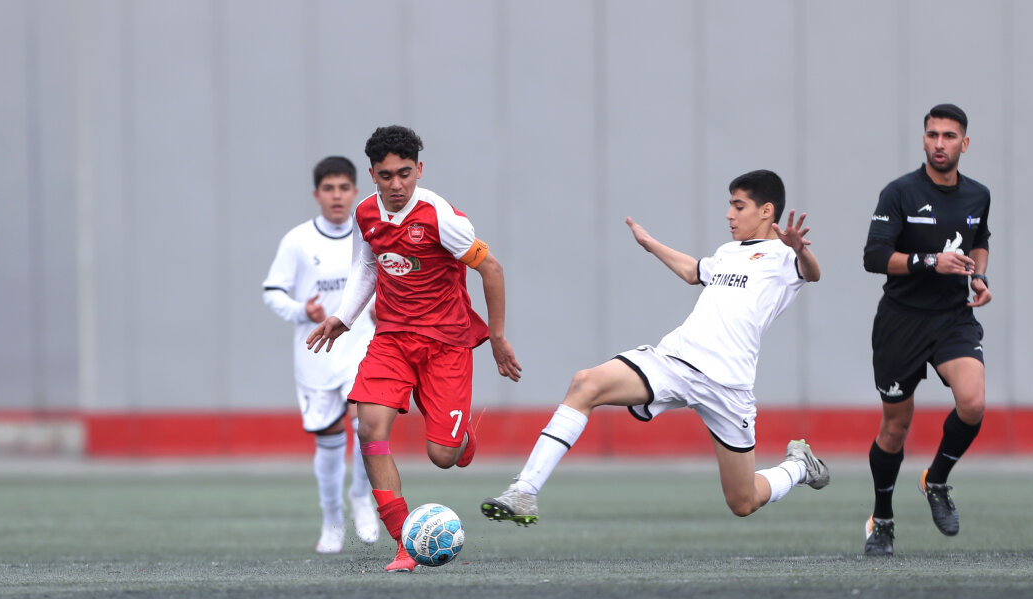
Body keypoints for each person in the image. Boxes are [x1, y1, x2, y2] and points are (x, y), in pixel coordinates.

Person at [481, 169, 829, 528]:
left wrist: (800, 250)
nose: (729, 214)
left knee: (743, 500)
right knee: (585, 383)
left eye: (738, 207)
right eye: (730, 205)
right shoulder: (728, 252)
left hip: (728, 385)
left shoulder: (785, 256)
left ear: (766, 210)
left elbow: (812, 273)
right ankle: (524, 491)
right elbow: (694, 271)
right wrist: (650, 244)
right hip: (676, 361)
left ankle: (798, 466)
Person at [307, 125, 522, 573]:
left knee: (443, 457)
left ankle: (461, 439)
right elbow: (368, 266)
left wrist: (498, 338)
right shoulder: (365, 213)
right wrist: (344, 317)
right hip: (392, 339)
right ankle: (404, 543)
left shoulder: (442, 219)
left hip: (446, 344)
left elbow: (492, 269)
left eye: (405, 173)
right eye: (386, 176)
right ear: (372, 175)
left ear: (419, 170)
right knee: (369, 429)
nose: (397, 184)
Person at [861, 103, 993, 556]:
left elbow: (980, 240)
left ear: (964, 144)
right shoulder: (899, 193)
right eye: (933, 135)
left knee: (972, 403)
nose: (940, 143)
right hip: (901, 322)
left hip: (953, 318)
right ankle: (882, 520)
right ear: (923, 140)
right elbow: (874, 257)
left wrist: (979, 277)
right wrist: (930, 261)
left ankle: (935, 480)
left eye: (949, 136)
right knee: (895, 426)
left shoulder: (978, 195)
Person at [262, 156, 379, 554]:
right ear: (317, 194)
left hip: (361, 348)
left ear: (355, 191)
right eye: (329, 189)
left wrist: (381, 307)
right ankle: (332, 520)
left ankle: (361, 498)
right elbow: (272, 291)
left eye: (344, 188)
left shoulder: (370, 234)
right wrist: (302, 310)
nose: (337, 196)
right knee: (329, 438)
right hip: (316, 354)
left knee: (368, 424)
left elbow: (383, 279)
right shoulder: (298, 241)